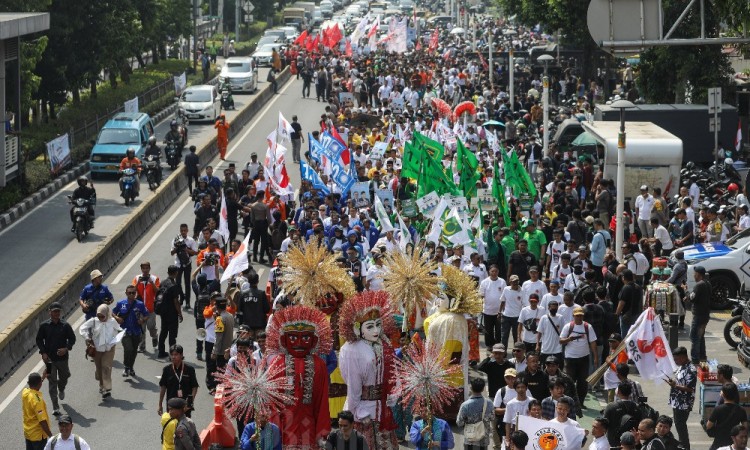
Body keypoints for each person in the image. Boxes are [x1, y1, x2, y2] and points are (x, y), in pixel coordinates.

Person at [338, 291, 399, 449]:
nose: (375, 330)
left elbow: (394, 371)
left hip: (383, 410)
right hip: (363, 413)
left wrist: (395, 391)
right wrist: (352, 414)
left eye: (378, 324)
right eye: (370, 326)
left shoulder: (383, 343)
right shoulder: (352, 350)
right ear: (358, 329)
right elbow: (353, 386)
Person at [35, 302, 76, 416]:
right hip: (49, 360)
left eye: (58, 311)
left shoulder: (65, 325)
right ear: (50, 312)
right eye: (54, 311)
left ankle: (61, 388)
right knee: (51, 382)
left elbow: (72, 339)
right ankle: (55, 407)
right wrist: (43, 352)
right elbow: (39, 340)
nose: (56, 313)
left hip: (62, 359)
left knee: (66, 375)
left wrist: (66, 349)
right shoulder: (44, 326)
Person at [78, 304, 122, 399]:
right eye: (99, 316)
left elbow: (119, 330)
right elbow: (82, 328)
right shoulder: (94, 321)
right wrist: (87, 337)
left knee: (106, 366)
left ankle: (105, 388)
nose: (101, 318)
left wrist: (116, 338)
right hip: (97, 349)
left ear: (107, 314)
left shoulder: (112, 321)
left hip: (109, 348)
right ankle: (101, 383)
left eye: (103, 316)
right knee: (99, 368)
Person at [559, 307, 598, 411]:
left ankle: (580, 403)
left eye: (581, 315)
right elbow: (561, 340)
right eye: (577, 315)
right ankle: (569, 403)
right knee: (569, 382)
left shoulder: (587, 327)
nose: (579, 317)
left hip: (584, 359)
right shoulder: (568, 326)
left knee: (583, 383)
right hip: (570, 359)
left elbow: (593, 342)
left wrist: (595, 357)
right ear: (573, 316)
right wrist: (569, 339)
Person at [112, 285, 150, 377]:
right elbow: (113, 312)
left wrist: (142, 320)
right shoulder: (121, 303)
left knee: (134, 351)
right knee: (128, 349)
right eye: (130, 293)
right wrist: (117, 318)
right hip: (124, 331)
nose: (132, 294)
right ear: (126, 293)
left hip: (136, 331)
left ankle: (131, 367)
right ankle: (126, 367)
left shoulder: (140, 304)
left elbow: (147, 314)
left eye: (133, 293)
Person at [158, 345, 199, 420]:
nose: (173, 357)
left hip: (185, 406)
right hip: (171, 406)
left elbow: (194, 387)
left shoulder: (190, 369)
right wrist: (160, 404)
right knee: (172, 427)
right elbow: (163, 387)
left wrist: (189, 402)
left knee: (184, 428)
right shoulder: (166, 370)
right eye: (172, 355)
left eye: (176, 354)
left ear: (181, 355)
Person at [668, 346, 697, 450]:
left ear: (683, 357)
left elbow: (690, 388)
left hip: (684, 403)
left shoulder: (691, 369)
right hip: (677, 401)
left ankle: (685, 446)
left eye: (676, 359)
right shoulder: (682, 366)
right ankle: (683, 444)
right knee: (678, 425)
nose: (675, 361)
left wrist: (675, 386)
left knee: (681, 426)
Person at [706, 383, 749, 450]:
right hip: (733, 441)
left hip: (719, 441)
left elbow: (708, 425)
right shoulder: (741, 410)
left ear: (723, 394)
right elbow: (745, 427)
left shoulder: (718, 409)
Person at [456, 378, 494, 450]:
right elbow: (492, 417)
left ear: (471, 388)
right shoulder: (489, 403)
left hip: (470, 439)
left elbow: (459, 422)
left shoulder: (465, 405)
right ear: (483, 389)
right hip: (483, 439)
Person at [132, 261, 160, 353]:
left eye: (147, 268)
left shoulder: (154, 278)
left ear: (149, 268)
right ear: (141, 269)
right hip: (140, 310)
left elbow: (157, 291)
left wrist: (151, 282)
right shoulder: (137, 278)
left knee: (151, 327)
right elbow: (132, 291)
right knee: (141, 328)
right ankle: (142, 346)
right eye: (143, 268)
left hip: (151, 309)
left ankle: (154, 337)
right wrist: (138, 283)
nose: (145, 270)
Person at [602, 381, 642, 447]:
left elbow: (604, 425)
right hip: (631, 444)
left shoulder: (611, 407)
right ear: (630, 393)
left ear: (618, 392)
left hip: (613, 443)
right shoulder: (637, 408)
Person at [157, 265, 184, 358]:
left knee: (163, 331)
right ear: (176, 273)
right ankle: (172, 354)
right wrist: (180, 313)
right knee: (172, 335)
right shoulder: (174, 285)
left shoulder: (163, 283)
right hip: (171, 313)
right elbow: (176, 301)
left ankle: (161, 352)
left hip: (163, 312)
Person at [22, 372, 52, 450]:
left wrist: (42, 378)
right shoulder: (37, 401)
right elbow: (42, 421)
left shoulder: (25, 392)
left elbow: (34, 386)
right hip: (38, 436)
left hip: (28, 433)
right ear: (40, 384)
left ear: (28, 383)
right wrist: (51, 435)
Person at [171, 224, 199, 310]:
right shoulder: (175, 240)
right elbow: (172, 253)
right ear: (180, 231)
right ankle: (182, 296)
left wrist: (186, 249)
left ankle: (187, 303)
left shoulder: (191, 240)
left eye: (185, 230)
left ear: (187, 230)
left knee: (187, 283)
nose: (183, 232)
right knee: (177, 283)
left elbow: (195, 252)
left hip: (187, 264)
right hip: (178, 264)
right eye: (182, 231)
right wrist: (177, 247)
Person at [479, 265, 506, 348]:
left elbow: (505, 296)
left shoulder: (502, 281)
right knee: (488, 330)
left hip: (499, 311)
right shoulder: (484, 282)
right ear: (489, 272)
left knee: (498, 330)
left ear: (498, 272)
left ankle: (497, 345)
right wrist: (480, 307)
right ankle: (489, 345)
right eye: (492, 271)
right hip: (487, 310)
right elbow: (481, 296)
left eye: (496, 271)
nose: (494, 273)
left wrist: (502, 309)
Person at [689, 266, 711, 363]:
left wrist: (686, 291)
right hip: (705, 315)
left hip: (699, 315)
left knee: (694, 337)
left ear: (698, 274)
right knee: (700, 336)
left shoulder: (699, 285)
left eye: (695, 273)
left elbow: (692, 298)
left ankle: (695, 360)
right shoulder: (707, 283)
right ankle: (702, 356)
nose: (694, 275)